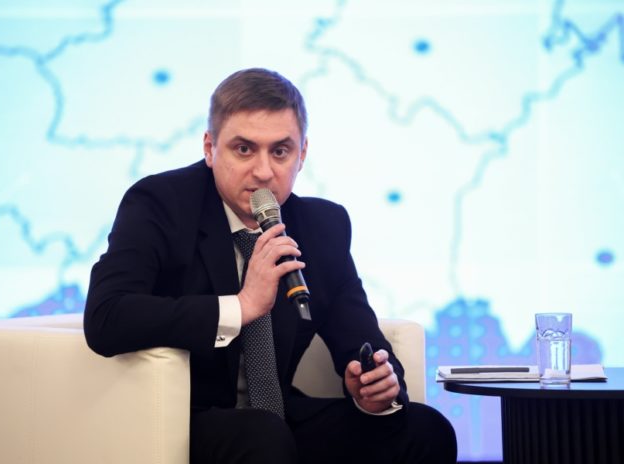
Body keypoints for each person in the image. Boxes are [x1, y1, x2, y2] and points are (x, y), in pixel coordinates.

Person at [84, 68, 457, 463]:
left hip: (278, 421)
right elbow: (107, 316)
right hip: (184, 422)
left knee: (425, 429)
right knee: (262, 435)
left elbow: (359, 339)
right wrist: (241, 306)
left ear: (302, 154)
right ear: (210, 148)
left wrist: (374, 386)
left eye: (280, 152)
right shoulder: (160, 203)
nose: (263, 172)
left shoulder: (322, 226)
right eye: (244, 149)